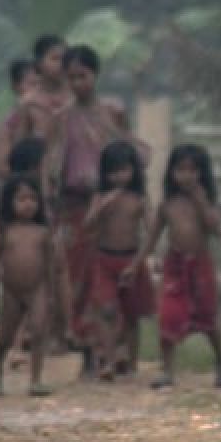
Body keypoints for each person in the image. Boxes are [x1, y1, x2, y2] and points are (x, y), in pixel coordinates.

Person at [44, 44, 123, 367]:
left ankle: (114, 349)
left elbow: (126, 154)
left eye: (83, 76)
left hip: (109, 205)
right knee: (76, 277)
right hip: (73, 207)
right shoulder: (61, 118)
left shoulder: (112, 112)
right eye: (72, 77)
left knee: (106, 276)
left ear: (95, 75)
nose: (78, 83)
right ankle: (88, 348)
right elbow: (51, 164)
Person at [128, 144, 221, 390]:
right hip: (174, 266)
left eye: (193, 170)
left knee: (208, 318)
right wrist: (135, 265)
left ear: (201, 173)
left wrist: (201, 201)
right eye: (181, 169)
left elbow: (216, 229)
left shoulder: (205, 202)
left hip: (200, 265)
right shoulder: (167, 206)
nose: (187, 176)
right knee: (168, 317)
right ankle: (167, 370)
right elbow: (151, 239)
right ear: (171, 173)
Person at [83, 141, 154, 380]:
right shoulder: (100, 197)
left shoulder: (140, 199)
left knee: (132, 314)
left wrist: (139, 262)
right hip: (104, 260)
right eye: (112, 172)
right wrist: (101, 206)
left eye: (123, 170)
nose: (118, 177)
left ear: (133, 170)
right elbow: (87, 225)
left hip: (131, 261)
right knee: (106, 309)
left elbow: (151, 231)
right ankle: (109, 360)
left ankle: (132, 364)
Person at [0, 174, 54, 397]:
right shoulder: (4, 231)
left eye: (33, 199)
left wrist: (55, 291)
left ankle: (36, 379)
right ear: (9, 203)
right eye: (21, 199)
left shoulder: (43, 233)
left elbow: (53, 264)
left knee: (38, 331)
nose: (28, 204)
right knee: (6, 336)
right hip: (12, 291)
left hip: (38, 288)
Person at [0, 59, 50, 179]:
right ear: (15, 87)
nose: (38, 90)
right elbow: (3, 169)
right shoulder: (8, 125)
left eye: (42, 84)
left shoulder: (54, 115)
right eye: (33, 84)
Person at [31, 35, 73, 113]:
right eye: (55, 58)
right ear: (39, 63)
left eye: (65, 58)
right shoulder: (31, 103)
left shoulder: (77, 94)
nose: (62, 64)